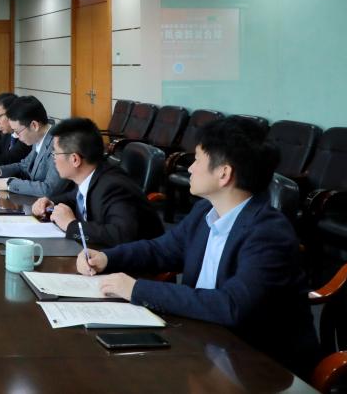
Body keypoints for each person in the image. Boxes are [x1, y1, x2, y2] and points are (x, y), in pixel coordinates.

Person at [77, 117, 321, 380]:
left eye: (198, 160)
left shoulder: (268, 233)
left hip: (258, 363)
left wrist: (136, 289)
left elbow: (232, 305)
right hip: (203, 341)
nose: (190, 168)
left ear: (224, 174)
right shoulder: (205, 210)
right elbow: (162, 250)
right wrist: (107, 257)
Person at [31, 117, 164, 247]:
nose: (53, 159)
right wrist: (50, 203)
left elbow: (121, 235)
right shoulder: (92, 174)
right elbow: (75, 197)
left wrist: (70, 225)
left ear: (75, 159)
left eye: (55, 153)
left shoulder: (113, 187)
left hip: (139, 258)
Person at [0, 96, 71, 198]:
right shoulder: (37, 138)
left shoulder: (59, 144)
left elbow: (48, 189)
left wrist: (9, 183)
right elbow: (24, 166)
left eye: (17, 131)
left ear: (34, 125)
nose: (16, 136)